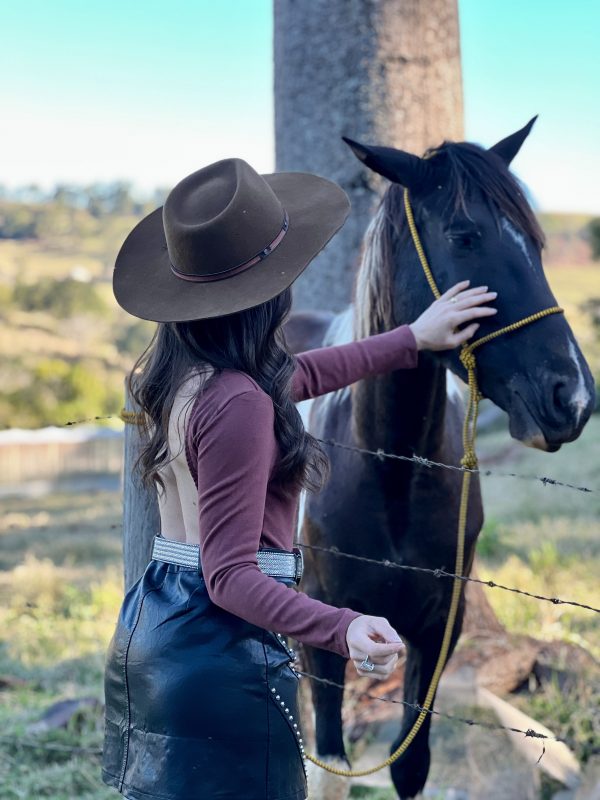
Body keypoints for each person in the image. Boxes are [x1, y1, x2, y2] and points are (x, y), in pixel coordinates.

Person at [101, 157, 498, 800]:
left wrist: (413, 339)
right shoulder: (240, 404)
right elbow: (228, 576)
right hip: (222, 654)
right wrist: (341, 627)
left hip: (157, 631)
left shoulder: (188, 378)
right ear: (268, 292)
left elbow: (306, 375)